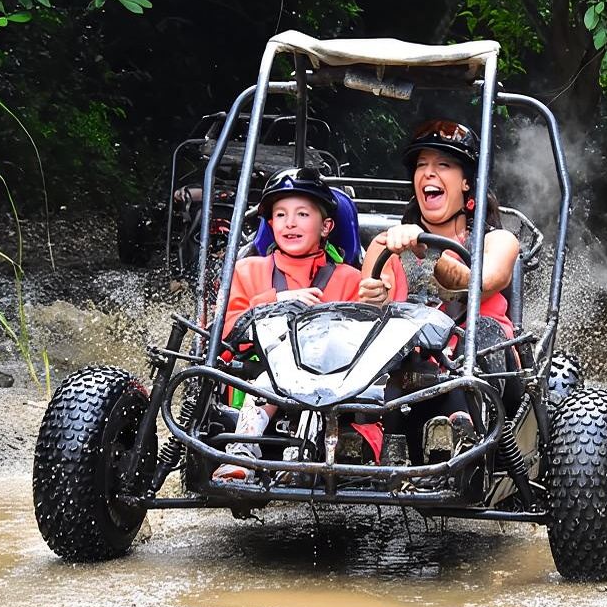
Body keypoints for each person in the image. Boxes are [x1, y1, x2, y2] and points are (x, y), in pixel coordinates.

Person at [357, 119, 521, 462]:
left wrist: (459, 275)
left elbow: (490, 278)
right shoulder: (386, 246)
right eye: (422, 166)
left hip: (487, 374)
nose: (429, 173)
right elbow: (370, 307)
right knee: (382, 338)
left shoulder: (497, 241)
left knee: (485, 330)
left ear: (465, 183)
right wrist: (378, 300)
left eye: (443, 165)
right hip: (407, 381)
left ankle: (465, 425)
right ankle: (360, 439)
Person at [213, 167, 362, 481]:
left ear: (326, 226)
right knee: (267, 382)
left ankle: (303, 454)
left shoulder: (349, 279)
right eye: (280, 215)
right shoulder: (248, 271)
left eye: (303, 214)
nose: (290, 222)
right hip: (263, 374)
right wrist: (276, 299)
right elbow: (226, 335)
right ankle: (242, 452)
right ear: (270, 224)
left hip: (330, 383)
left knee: (321, 385)